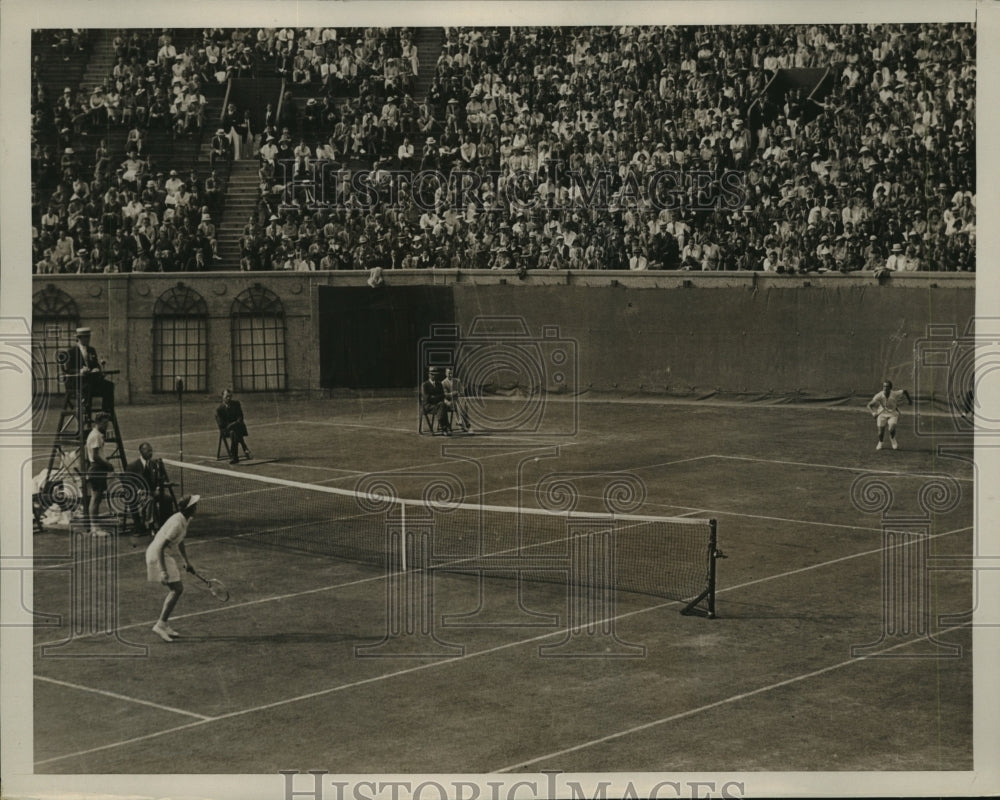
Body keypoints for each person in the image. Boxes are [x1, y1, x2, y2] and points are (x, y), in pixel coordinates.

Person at [145, 494, 199, 642]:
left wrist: (187, 562)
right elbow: (161, 548)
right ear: (189, 508)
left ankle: (163, 624)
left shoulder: (185, 519)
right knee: (177, 589)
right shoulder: (176, 523)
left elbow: (180, 542)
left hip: (163, 554)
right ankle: (160, 625)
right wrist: (162, 571)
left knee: (176, 589)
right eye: (194, 506)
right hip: (157, 555)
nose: (196, 508)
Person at [63, 327, 115, 414]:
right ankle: (87, 409)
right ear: (79, 338)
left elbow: (96, 364)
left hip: (91, 380)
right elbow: (68, 369)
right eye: (85, 337)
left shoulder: (91, 350)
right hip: (78, 381)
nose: (88, 339)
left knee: (109, 385)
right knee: (88, 387)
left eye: (89, 337)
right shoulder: (71, 351)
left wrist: (96, 369)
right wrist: (80, 371)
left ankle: (106, 412)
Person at [126, 442, 173, 536]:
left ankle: (164, 524)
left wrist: (160, 486)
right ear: (141, 452)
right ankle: (151, 525)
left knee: (167, 499)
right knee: (149, 500)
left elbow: (157, 480)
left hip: (152, 492)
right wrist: (139, 491)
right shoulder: (133, 466)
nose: (150, 453)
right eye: (148, 451)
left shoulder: (153, 464)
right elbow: (129, 483)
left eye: (151, 451)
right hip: (139, 495)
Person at [84, 412, 115, 536]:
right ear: (98, 422)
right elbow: (96, 456)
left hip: (99, 469)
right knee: (96, 498)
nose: (107, 426)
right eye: (105, 423)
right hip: (97, 469)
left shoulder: (97, 435)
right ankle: (94, 528)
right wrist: (108, 465)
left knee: (97, 497)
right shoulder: (95, 435)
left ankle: (95, 526)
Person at [866, 380, 913, 451]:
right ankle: (880, 442)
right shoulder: (879, 395)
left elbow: (905, 391)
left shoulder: (895, 393)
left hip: (893, 413)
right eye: (884, 386)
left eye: (887, 386)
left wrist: (909, 400)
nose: (885, 388)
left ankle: (893, 439)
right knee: (880, 433)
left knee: (891, 429)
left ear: (890, 388)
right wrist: (873, 413)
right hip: (881, 414)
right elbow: (869, 405)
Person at [215, 388, 251, 463]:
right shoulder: (219, 409)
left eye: (230, 396)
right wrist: (233, 424)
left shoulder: (236, 404)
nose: (228, 398)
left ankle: (234, 457)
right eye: (226, 396)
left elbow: (240, 417)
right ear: (222, 397)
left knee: (234, 432)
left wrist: (235, 423)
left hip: (236, 428)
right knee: (233, 431)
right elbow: (222, 424)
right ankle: (244, 447)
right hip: (226, 429)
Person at [420, 366, 451, 434]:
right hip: (428, 406)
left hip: (438, 405)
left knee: (442, 405)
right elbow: (427, 399)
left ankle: (443, 426)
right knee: (442, 406)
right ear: (429, 374)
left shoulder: (439, 384)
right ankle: (445, 427)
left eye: (435, 374)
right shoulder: (425, 385)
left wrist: (435, 397)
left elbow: (442, 396)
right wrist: (437, 397)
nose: (434, 376)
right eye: (432, 374)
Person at [442, 367, 470, 431]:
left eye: (451, 373)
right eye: (449, 373)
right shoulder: (443, 383)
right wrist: (453, 393)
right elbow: (446, 395)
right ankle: (465, 422)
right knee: (460, 404)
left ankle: (460, 422)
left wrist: (460, 393)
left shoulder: (457, 381)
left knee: (462, 403)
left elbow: (462, 392)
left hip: (457, 401)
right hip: (449, 402)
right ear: (445, 373)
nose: (450, 375)